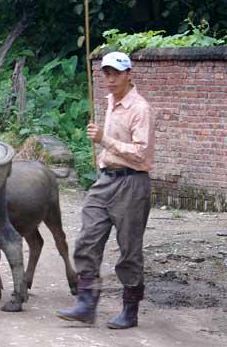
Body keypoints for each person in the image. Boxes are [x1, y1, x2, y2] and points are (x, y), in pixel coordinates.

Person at [57, 51, 155, 329]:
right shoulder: (111, 101)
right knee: (87, 237)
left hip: (133, 182)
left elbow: (142, 154)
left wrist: (105, 140)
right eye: (106, 73)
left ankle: (130, 309)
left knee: (129, 249)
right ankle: (86, 302)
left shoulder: (140, 109)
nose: (109, 79)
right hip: (105, 179)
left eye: (115, 73)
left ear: (128, 74)